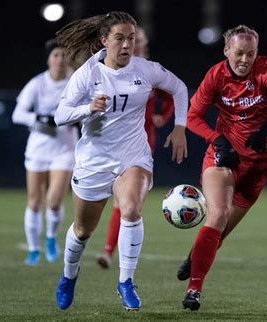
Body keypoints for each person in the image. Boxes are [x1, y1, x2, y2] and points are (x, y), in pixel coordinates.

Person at [53, 11, 188, 311]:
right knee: (82, 230)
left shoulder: (145, 69)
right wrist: (87, 108)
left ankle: (126, 281)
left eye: (131, 38)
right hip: (93, 160)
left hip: (133, 155)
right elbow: (60, 116)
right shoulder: (87, 74)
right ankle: (68, 275)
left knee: (130, 208)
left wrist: (180, 127)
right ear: (104, 41)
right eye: (120, 38)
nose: (127, 45)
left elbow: (179, 88)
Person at [178, 25, 267, 311]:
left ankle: (195, 255)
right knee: (218, 214)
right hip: (224, 158)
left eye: (250, 53)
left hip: (258, 167)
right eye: (238, 53)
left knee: (219, 233)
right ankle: (194, 289)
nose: (244, 59)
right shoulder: (216, 75)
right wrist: (218, 141)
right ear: (226, 51)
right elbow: (193, 116)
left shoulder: (263, 70)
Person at [96, 26, 175, 269]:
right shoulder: (107, 69)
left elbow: (172, 94)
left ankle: (112, 253)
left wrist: (164, 115)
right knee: (120, 204)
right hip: (108, 147)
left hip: (140, 144)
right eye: (129, 39)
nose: (132, 44)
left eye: (137, 40)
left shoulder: (149, 72)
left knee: (127, 205)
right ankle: (111, 251)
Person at [12, 39, 78, 266]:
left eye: (63, 55)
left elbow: (86, 109)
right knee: (34, 201)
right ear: (49, 59)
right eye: (55, 55)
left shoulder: (74, 82)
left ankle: (50, 238)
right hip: (38, 147)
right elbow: (17, 114)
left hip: (64, 148)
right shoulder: (38, 83)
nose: (59, 59)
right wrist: (39, 118)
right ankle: (33, 250)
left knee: (54, 200)